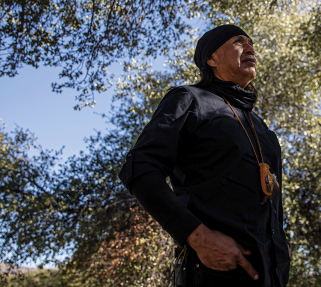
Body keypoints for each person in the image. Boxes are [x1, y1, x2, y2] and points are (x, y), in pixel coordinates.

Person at [119, 24, 290, 286]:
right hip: (214, 273)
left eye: (251, 43)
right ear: (211, 58)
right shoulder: (189, 99)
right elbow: (140, 168)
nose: (250, 48)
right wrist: (198, 237)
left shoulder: (263, 129)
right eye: (238, 41)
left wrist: (280, 251)